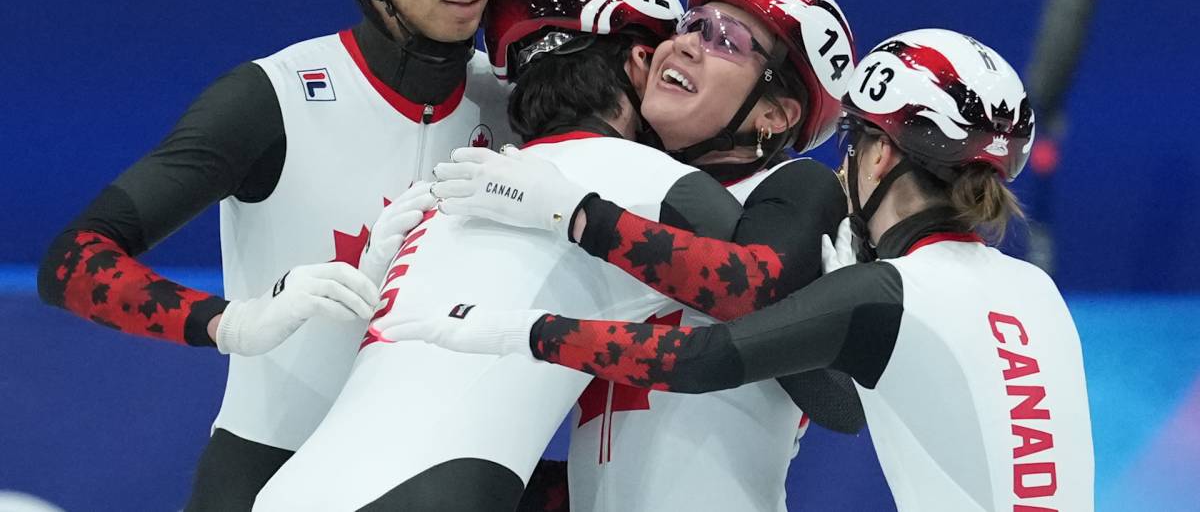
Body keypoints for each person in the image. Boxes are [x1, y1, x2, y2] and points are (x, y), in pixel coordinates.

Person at [383, 29, 1096, 512]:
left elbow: (704, 358)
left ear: (880, 154)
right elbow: (849, 401)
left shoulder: (883, 293)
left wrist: (517, 326)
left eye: (851, 147)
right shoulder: (1033, 290)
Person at [34, 0, 519, 508]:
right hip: (264, 476)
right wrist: (231, 322)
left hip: (436, 480)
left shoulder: (515, 102)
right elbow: (70, 263)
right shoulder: (274, 97)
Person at [252, 0, 747, 511]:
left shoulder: (444, 195)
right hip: (434, 494)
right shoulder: (655, 182)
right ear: (636, 63)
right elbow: (797, 322)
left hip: (292, 490)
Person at [431, 0, 863, 511]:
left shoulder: (798, 186)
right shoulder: (633, 185)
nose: (685, 45)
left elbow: (752, 291)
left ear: (775, 115)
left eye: (726, 39)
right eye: (691, 23)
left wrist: (576, 214)